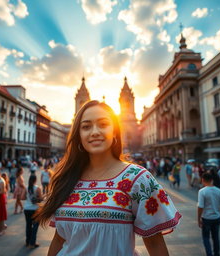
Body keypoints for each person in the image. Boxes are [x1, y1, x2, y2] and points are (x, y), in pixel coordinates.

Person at [35, 100, 181, 256]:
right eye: (86, 126)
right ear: (78, 134)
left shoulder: (137, 179)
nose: (95, 132)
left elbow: (154, 242)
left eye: (103, 124)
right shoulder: (67, 178)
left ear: (115, 132)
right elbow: (59, 238)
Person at [197, 172, 220, 256]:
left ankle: (209, 254)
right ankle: (217, 254)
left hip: (206, 219)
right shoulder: (219, 190)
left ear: (202, 180)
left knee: (206, 238)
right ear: (212, 180)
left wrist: (198, 219)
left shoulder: (202, 191)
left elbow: (200, 207)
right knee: (215, 237)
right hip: (217, 218)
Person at [24, 175, 43, 248]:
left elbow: (22, 197)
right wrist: (42, 197)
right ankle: (32, 243)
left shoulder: (26, 188)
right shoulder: (37, 188)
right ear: (35, 180)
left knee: (28, 225)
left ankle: (27, 242)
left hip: (26, 209)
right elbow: (40, 199)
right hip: (35, 209)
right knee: (35, 226)